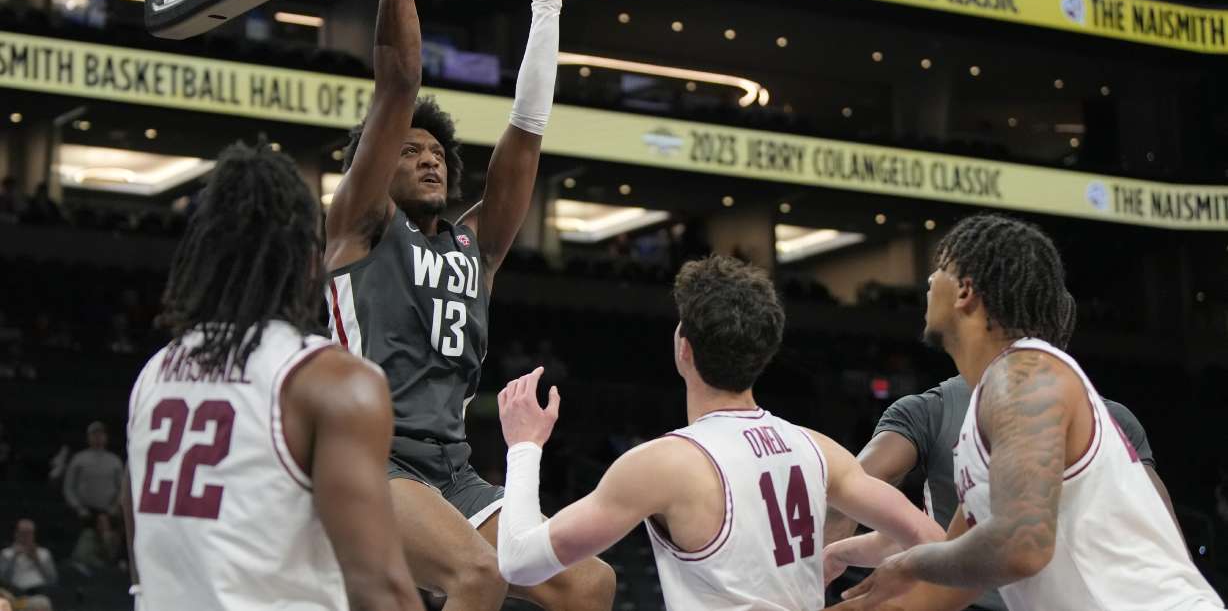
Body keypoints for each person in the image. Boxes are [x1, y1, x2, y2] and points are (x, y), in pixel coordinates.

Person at [322, 0, 614, 611]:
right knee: (477, 577)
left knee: (590, 585)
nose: (428, 160)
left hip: (450, 469)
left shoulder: (470, 250)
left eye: (437, 154)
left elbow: (528, 129)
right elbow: (398, 84)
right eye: (409, 151)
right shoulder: (359, 229)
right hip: (368, 460)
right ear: (372, 165)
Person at [495, 256, 945, 610]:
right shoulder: (817, 448)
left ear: (683, 348)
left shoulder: (664, 465)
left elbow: (520, 561)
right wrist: (846, 555)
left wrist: (524, 447)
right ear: (766, 351)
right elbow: (934, 541)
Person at [831, 214, 1224, 611]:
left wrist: (912, 561)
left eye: (940, 270)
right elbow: (954, 583)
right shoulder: (991, 405)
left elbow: (1023, 546)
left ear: (965, 291)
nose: (929, 281)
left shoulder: (1024, 375)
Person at [124, 140, 422, 607]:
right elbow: (380, 588)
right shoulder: (331, 382)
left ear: (203, 256)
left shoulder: (153, 375)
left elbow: (141, 544)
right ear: (307, 259)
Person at [823, 373, 1180, 611]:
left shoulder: (935, 411)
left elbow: (853, 503)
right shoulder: (1110, 418)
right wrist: (841, 552)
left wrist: (807, 575)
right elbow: (1165, 545)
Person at [63, 422, 124, 523]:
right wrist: (78, 508)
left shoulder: (115, 461)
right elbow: (68, 487)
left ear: (106, 437)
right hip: (84, 513)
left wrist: (114, 507)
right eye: (94, 434)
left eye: (100, 434)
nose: (98, 437)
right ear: (89, 437)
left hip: (108, 513)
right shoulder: (78, 459)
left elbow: (121, 488)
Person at [0, 520, 57, 601]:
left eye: (29, 533)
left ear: (33, 535)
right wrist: (14, 558)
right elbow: (3, 579)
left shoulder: (44, 553)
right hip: (15, 592)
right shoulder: (6, 554)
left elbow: (52, 579)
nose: (25, 537)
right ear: (16, 534)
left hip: (40, 592)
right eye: (23, 533)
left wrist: (36, 560)